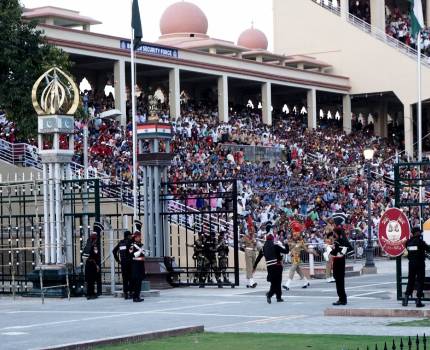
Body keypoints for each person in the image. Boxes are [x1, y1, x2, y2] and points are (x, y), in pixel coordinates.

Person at [253, 231, 289, 304]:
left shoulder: (263, 248)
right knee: (277, 283)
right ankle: (270, 295)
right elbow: (286, 251)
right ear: (272, 239)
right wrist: (286, 243)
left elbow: (258, 258)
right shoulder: (275, 245)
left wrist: (254, 266)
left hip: (269, 267)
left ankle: (278, 297)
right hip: (277, 266)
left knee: (274, 282)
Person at [283, 222, 317, 291]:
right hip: (292, 258)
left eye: (296, 235)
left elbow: (307, 250)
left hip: (297, 258)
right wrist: (288, 245)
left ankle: (287, 284)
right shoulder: (291, 241)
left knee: (292, 269)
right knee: (299, 271)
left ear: (298, 235)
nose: (294, 236)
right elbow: (287, 249)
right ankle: (306, 282)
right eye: (294, 235)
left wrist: (313, 252)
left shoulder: (301, 242)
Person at [402, 226, 430, 308]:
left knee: (411, 281)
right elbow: (428, 249)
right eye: (419, 232)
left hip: (411, 264)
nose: (421, 233)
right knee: (420, 281)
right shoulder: (421, 242)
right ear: (417, 233)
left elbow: (409, 249)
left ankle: (406, 300)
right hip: (420, 264)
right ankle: (418, 301)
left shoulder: (408, 242)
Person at [330, 227, 353, 306]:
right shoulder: (343, 241)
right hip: (342, 262)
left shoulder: (337, 242)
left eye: (334, 233)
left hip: (337, 262)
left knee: (338, 281)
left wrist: (331, 249)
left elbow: (334, 252)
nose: (333, 235)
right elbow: (343, 251)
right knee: (341, 281)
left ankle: (341, 299)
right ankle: (343, 298)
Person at [83, 222, 103, 300]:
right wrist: (96, 265)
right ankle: (89, 294)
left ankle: (92, 293)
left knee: (92, 279)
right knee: (90, 280)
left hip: (91, 264)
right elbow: (91, 256)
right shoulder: (91, 244)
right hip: (91, 264)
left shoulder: (91, 243)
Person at [112, 230, 133, 299]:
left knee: (125, 279)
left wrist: (118, 260)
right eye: (130, 235)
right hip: (129, 263)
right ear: (128, 236)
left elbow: (114, 251)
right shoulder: (130, 242)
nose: (131, 236)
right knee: (130, 278)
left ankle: (125, 294)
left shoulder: (121, 243)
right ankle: (130, 293)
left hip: (123, 263)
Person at [130, 222, 146, 303]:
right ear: (135, 237)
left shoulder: (140, 245)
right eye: (139, 237)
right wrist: (140, 252)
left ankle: (138, 296)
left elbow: (142, 256)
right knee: (136, 282)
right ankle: (135, 297)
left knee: (139, 282)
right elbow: (132, 256)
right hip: (135, 266)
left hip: (140, 266)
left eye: (140, 236)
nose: (140, 238)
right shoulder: (132, 246)